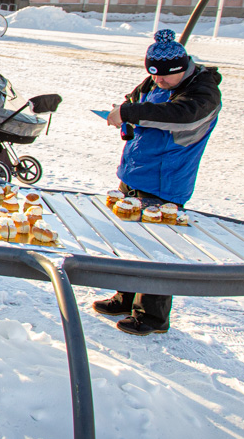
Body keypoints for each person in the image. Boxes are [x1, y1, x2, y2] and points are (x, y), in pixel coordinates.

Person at [94, 28, 222, 336]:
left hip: (166, 181)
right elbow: (136, 99)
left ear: (182, 68)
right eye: (153, 75)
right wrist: (126, 118)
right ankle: (125, 296)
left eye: (165, 77)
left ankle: (152, 316)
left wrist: (130, 112)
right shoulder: (156, 79)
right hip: (135, 172)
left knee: (158, 249)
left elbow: (180, 115)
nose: (158, 81)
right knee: (130, 240)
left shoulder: (203, 93)